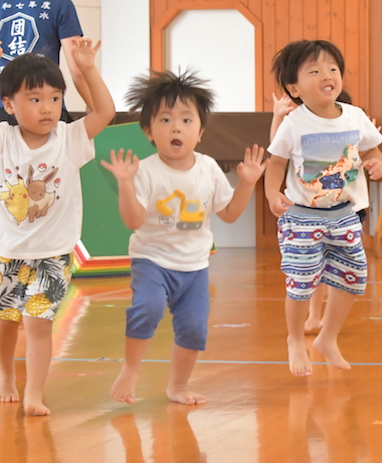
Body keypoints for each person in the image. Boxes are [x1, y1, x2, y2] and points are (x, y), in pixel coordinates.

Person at [0, 38, 115, 416]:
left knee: (38, 322)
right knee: (5, 321)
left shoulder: (69, 138)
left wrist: (88, 67)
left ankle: (34, 391)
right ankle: (6, 377)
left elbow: (106, 112)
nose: (47, 108)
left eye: (55, 98)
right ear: (9, 105)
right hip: (5, 250)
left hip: (53, 253)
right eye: (34, 99)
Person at [103, 70, 266, 406]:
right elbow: (134, 221)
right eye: (165, 119)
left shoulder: (208, 169)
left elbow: (229, 213)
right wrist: (124, 183)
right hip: (152, 259)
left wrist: (248, 183)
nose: (176, 127)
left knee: (193, 330)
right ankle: (131, 370)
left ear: (200, 131)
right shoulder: (146, 170)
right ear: (148, 130)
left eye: (186, 120)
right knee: (146, 309)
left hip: (194, 266)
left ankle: (178, 385)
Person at [264, 40, 382, 376]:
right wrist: (273, 193)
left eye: (332, 69)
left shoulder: (355, 116)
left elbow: (374, 152)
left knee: (352, 277)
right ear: (294, 88)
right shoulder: (295, 122)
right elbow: (275, 163)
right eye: (314, 71)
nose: (326, 75)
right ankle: (294, 338)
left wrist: (378, 166)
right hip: (302, 216)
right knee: (302, 282)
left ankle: (327, 338)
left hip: (344, 214)